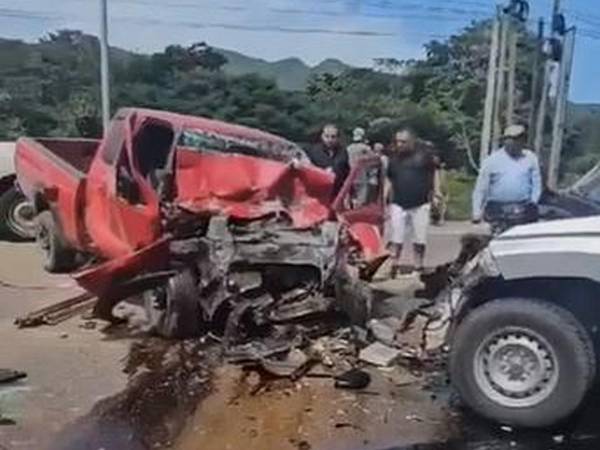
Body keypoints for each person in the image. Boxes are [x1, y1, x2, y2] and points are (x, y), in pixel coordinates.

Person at [385, 128, 441, 277]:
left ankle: (418, 266)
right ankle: (394, 264)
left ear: (411, 141)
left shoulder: (424, 156)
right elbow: (389, 179)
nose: (399, 144)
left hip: (420, 202)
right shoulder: (394, 158)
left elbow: (435, 173)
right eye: (397, 141)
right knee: (396, 236)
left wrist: (437, 193)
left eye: (403, 141)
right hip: (398, 202)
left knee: (419, 237)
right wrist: (384, 198)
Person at [472, 124, 542, 232]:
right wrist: (476, 212)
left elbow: (536, 184)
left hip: (523, 207)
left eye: (517, 139)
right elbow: (481, 188)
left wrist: (533, 202)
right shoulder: (491, 160)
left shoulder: (530, 158)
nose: (513, 142)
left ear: (523, 140)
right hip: (497, 208)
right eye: (510, 139)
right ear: (505, 140)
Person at [305, 124, 350, 196]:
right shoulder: (314, 151)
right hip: (318, 191)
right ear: (322, 136)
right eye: (327, 136)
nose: (330, 140)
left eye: (333, 137)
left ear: (337, 138)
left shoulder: (343, 151)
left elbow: (346, 172)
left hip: (337, 192)